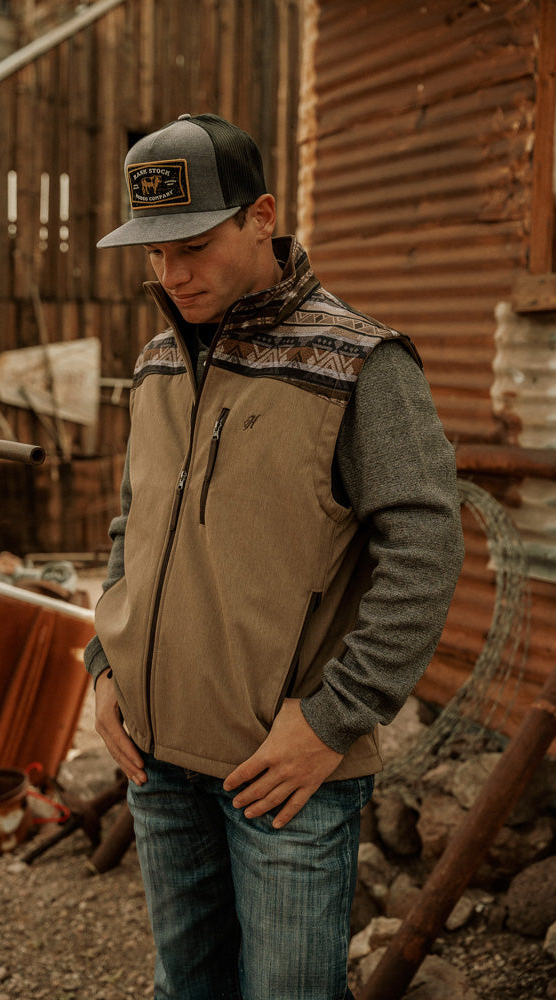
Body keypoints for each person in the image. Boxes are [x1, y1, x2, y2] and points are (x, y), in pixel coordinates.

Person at [85, 112, 464, 1000]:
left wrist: (334, 718)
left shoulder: (362, 364)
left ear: (260, 216)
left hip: (281, 773)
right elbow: (134, 523)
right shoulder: (155, 362)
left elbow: (425, 547)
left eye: (194, 243)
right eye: (152, 253)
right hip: (153, 762)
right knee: (188, 986)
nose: (171, 273)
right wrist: (107, 663)